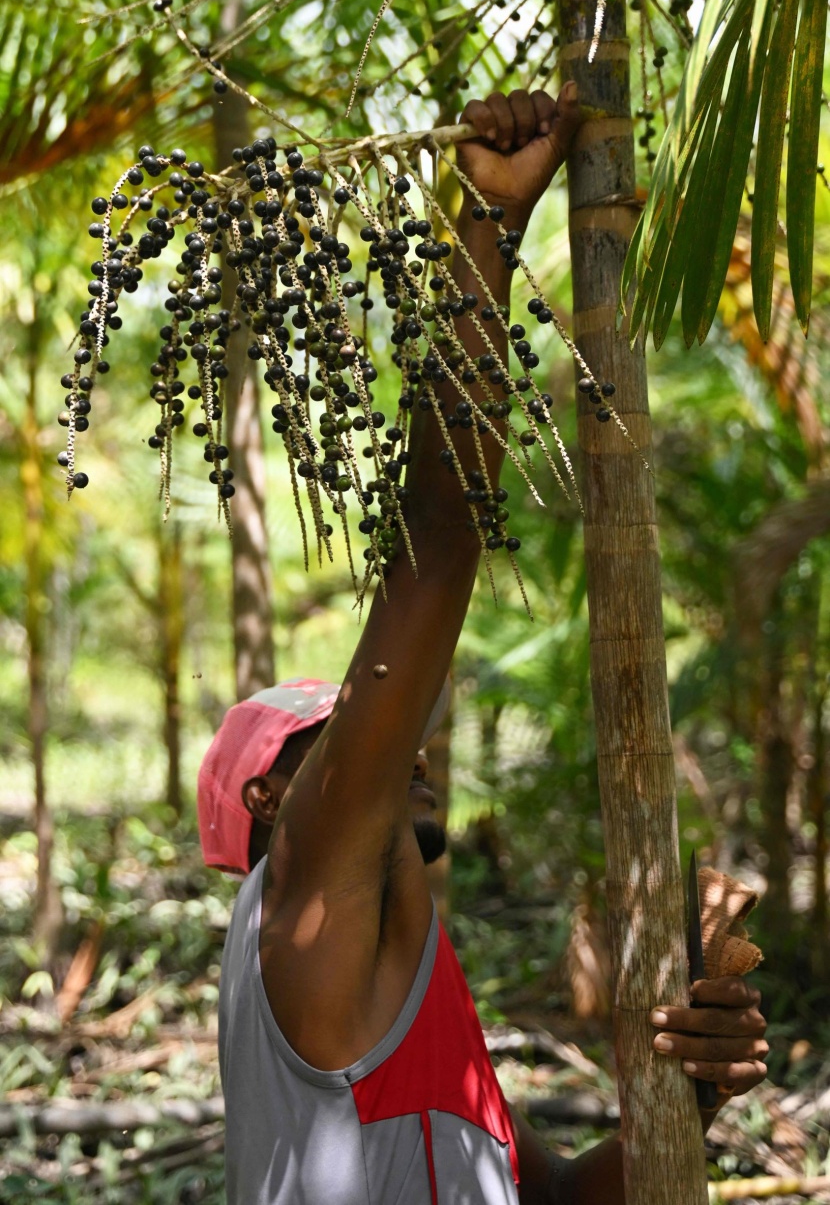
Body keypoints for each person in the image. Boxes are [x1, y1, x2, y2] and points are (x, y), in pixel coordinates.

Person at [198, 87, 768, 1204]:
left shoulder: (387, 994)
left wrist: (685, 1102)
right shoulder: (303, 882)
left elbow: (545, 1201)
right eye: (332, 736)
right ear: (275, 806)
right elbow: (435, 543)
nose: (393, 741)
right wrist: (485, 232)